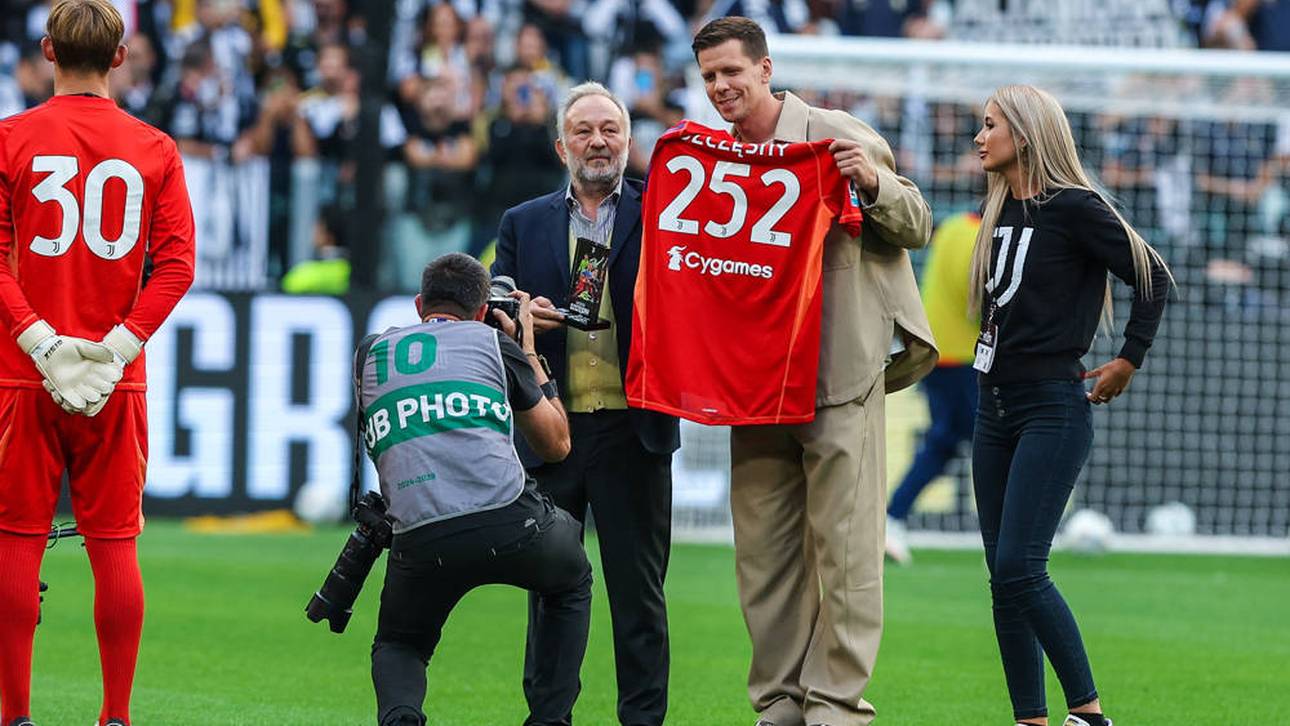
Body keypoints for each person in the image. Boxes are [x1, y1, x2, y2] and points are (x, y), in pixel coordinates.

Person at [691, 17, 937, 726]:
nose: (721, 87)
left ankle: (833, 705)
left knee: (849, 554)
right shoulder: (707, 161)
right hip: (753, 384)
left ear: (766, 69)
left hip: (837, 376)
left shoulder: (836, 132)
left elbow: (916, 221)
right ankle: (778, 704)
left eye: (732, 71)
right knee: (764, 560)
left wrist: (873, 185)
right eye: (710, 77)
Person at [0, 2, 197, 725]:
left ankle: (15, 715)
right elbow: (176, 267)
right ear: (121, 57)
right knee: (114, 546)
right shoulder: (155, 149)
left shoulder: (10, 139)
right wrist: (113, 351)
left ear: (47, 51)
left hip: (25, 376)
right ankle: (116, 717)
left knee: (16, 542)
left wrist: (41, 345)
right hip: (115, 382)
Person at [969, 84, 1171, 726]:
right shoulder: (1000, 207)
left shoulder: (1077, 207)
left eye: (990, 125)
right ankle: (1030, 718)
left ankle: (1088, 713)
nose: (979, 137)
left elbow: (1153, 275)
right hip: (991, 405)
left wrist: (1128, 358)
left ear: (1024, 134)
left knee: (1020, 568)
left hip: (1051, 407)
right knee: (1002, 579)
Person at [490, 81, 680, 726]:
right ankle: (548, 719)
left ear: (630, 141)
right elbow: (493, 297)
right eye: (584, 130)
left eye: (611, 130)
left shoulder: (665, 211)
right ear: (560, 145)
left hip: (637, 430)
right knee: (549, 592)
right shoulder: (522, 221)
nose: (598, 141)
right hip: (553, 431)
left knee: (639, 598)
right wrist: (517, 313)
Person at [363, 252, 592, 726]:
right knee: (571, 577)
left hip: (419, 531)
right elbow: (556, 445)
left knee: (400, 643)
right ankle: (550, 721)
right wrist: (526, 347)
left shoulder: (370, 354)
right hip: (508, 519)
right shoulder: (493, 343)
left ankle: (401, 718)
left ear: (419, 304)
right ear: (486, 308)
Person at [885, 211, 982, 566]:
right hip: (962, 357)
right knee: (989, 443)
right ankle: (1010, 531)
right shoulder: (977, 240)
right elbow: (979, 305)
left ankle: (892, 517)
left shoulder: (954, 226)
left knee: (944, 443)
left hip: (937, 352)